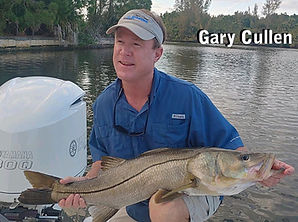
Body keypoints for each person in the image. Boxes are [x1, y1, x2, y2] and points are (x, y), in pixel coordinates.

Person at [58, 9, 295, 222]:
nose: (124, 51)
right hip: (133, 201)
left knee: (162, 206)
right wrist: (84, 186)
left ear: (157, 54)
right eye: (120, 41)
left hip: (197, 190)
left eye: (137, 44)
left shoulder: (188, 97)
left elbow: (233, 150)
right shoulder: (103, 104)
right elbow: (102, 163)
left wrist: (259, 173)